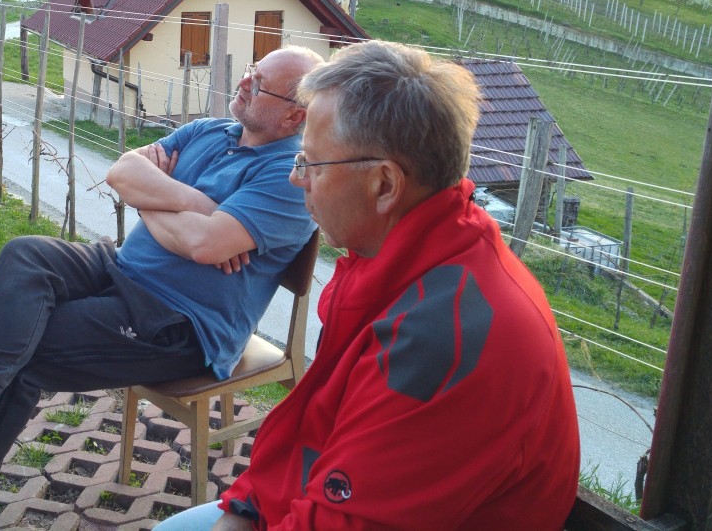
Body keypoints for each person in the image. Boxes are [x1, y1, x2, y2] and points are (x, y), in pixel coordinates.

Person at [0, 46, 324, 531]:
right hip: (122, 269)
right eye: (250, 72)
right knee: (26, 254)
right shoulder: (210, 130)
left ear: (296, 115)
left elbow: (203, 245)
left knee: (27, 346)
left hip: (182, 322)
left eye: (259, 84)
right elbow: (121, 173)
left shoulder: (291, 177)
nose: (244, 83)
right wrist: (198, 203)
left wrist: (152, 198)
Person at [155, 40, 581, 530]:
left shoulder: (441, 333)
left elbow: (349, 519)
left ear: (384, 185)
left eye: (309, 163)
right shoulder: (401, 260)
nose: (297, 180)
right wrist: (247, 505)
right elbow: (314, 431)